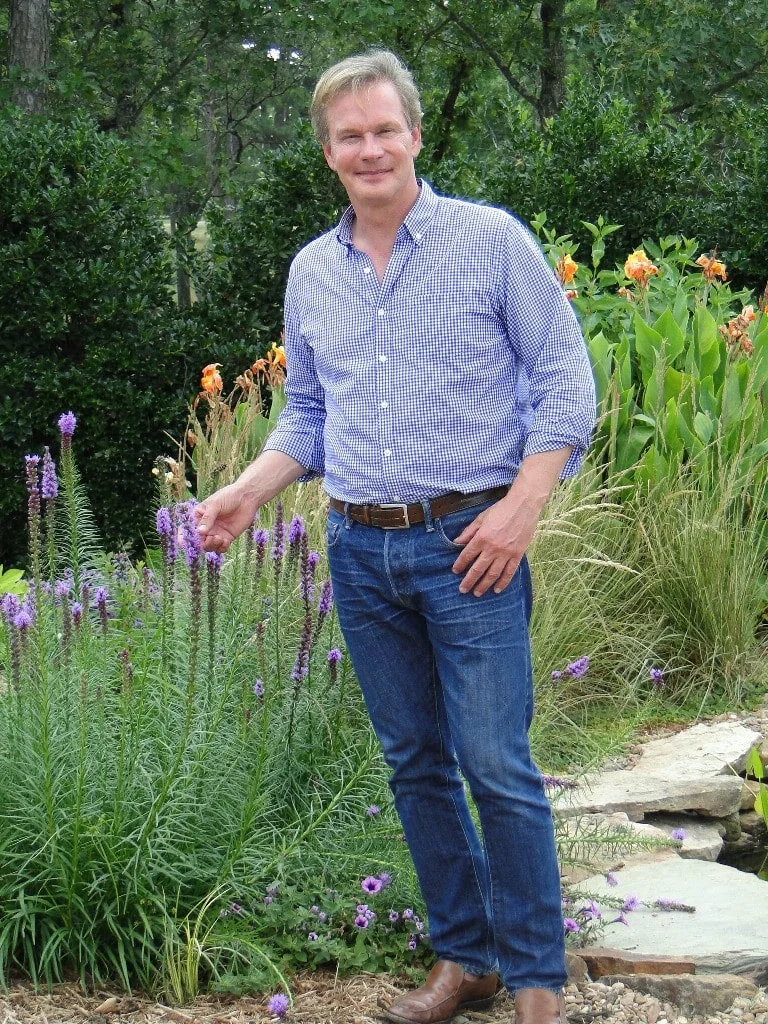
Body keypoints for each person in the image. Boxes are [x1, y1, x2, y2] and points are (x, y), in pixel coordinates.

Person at [195, 49, 595, 1024]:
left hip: (473, 545)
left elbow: (566, 383)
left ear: (416, 134)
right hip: (360, 552)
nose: (369, 148)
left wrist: (524, 504)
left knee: (494, 763)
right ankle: (468, 960)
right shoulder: (313, 271)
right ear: (328, 152)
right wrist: (248, 490)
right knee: (414, 761)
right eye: (349, 135)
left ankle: (539, 984)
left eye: (385, 129)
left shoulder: (489, 242)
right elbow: (309, 417)